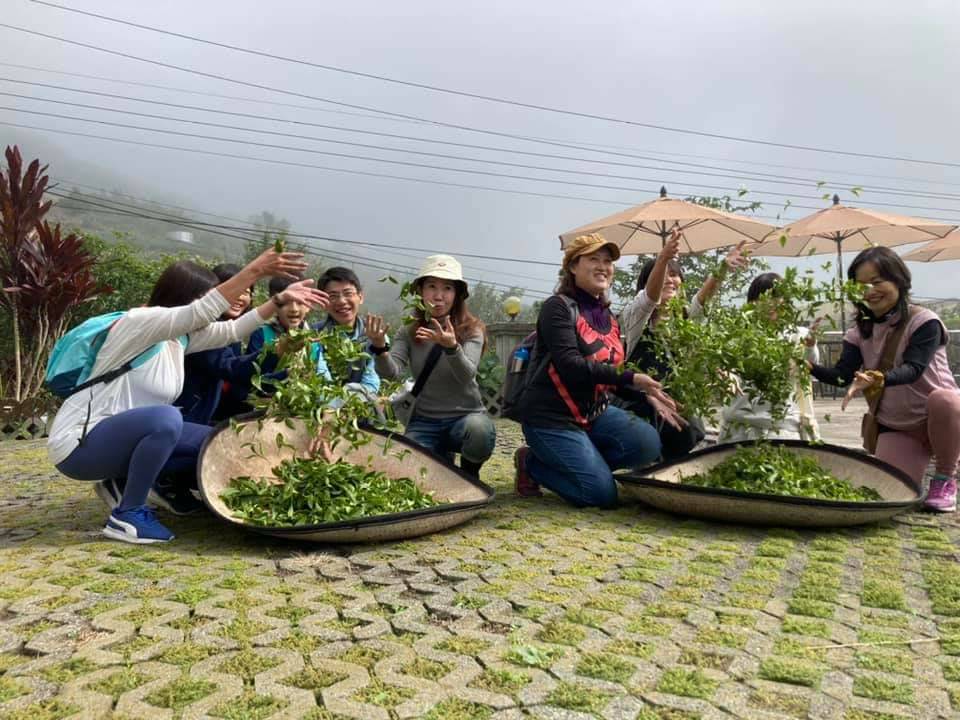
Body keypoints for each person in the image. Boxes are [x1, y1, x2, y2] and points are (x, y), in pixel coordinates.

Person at [46, 250, 329, 543]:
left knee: (219, 442)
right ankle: (128, 514)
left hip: (119, 439)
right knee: (166, 417)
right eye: (207, 297)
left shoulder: (178, 339)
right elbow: (203, 313)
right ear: (184, 297)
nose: (214, 305)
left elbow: (232, 330)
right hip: (81, 446)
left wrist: (278, 301)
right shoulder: (140, 322)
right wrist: (255, 271)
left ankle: (127, 486)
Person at [513, 233, 683, 506]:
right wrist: (633, 377)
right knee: (600, 495)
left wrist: (644, 395)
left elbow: (611, 378)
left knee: (648, 443)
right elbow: (571, 367)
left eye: (608, 261)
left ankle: (586, 464)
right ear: (572, 266)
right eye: (593, 259)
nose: (603, 266)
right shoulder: (557, 308)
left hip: (593, 414)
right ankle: (531, 462)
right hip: (552, 418)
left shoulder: (608, 317)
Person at [810, 246, 960, 512]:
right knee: (888, 493)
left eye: (878, 281)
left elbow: (913, 368)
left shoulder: (924, 322)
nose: (870, 291)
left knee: (945, 399)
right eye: (861, 285)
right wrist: (806, 367)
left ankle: (945, 478)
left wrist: (877, 378)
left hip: (939, 416)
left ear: (899, 281)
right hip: (900, 425)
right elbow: (843, 376)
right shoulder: (859, 332)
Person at [366, 255, 495, 478]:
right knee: (410, 472)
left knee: (480, 431)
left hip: (465, 418)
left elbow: (467, 375)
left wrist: (452, 347)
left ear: (457, 295)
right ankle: (441, 458)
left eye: (447, 288)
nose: (438, 296)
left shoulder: (471, 329)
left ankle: (469, 475)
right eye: (431, 286)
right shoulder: (408, 330)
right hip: (424, 422)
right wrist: (379, 349)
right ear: (420, 291)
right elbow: (392, 372)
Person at [717, 272, 821, 443]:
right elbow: (727, 371)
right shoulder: (737, 337)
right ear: (751, 303)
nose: (768, 302)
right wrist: (724, 376)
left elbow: (809, 367)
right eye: (761, 297)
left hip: (780, 427)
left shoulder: (798, 335)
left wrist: (810, 345)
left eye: (774, 296)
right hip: (738, 427)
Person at [176, 263, 260, 425]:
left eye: (246, 292)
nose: (241, 297)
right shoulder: (204, 328)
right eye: (235, 290)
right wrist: (276, 353)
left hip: (202, 414)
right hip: (184, 414)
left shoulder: (232, 334)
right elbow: (230, 367)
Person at [313, 267, 380, 401]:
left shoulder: (374, 335)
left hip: (362, 411)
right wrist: (335, 407)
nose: (342, 301)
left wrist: (349, 404)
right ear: (323, 303)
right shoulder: (314, 335)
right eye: (333, 296)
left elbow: (372, 383)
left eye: (348, 293)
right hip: (321, 412)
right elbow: (321, 380)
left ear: (360, 297)